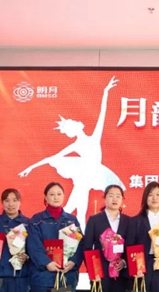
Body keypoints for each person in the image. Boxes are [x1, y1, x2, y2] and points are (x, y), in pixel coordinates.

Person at [18, 76, 124, 228]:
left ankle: (70, 235)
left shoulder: (94, 137)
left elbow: (102, 115)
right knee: (73, 210)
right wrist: (30, 168)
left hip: (93, 175)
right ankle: (61, 234)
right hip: (84, 179)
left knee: (77, 211)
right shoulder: (76, 145)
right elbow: (52, 158)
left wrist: (105, 92)